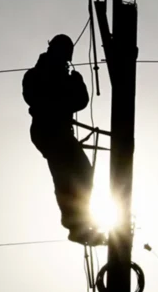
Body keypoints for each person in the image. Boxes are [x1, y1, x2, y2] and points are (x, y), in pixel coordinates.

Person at [22, 34, 103, 245]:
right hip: (48, 131)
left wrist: (76, 82)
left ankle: (80, 223)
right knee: (69, 175)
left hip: (57, 133)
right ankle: (76, 225)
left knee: (79, 173)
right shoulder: (37, 74)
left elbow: (80, 101)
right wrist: (66, 89)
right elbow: (35, 97)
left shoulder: (63, 77)